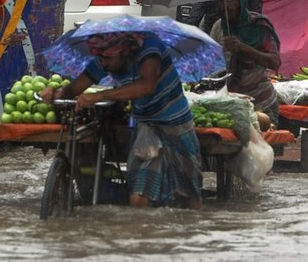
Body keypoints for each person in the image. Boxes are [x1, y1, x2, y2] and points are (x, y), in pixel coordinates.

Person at [39, 32, 203, 209]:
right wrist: (56, 93)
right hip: (146, 127)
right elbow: (75, 87)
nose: (103, 63)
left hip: (176, 123)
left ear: (122, 51)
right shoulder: (105, 61)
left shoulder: (150, 47)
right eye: (100, 58)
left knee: (190, 199)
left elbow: (147, 85)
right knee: (139, 199)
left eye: (106, 58)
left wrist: (100, 95)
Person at [209, 0, 282, 124]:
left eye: (231, 0)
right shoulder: (218, 28)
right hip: (233, 106)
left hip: (262, 104)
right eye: (222, 1)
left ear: (241, 1)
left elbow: (275, 62)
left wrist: (243, 48)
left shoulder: (259, 25)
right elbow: (211, 65)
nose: (227, 6)